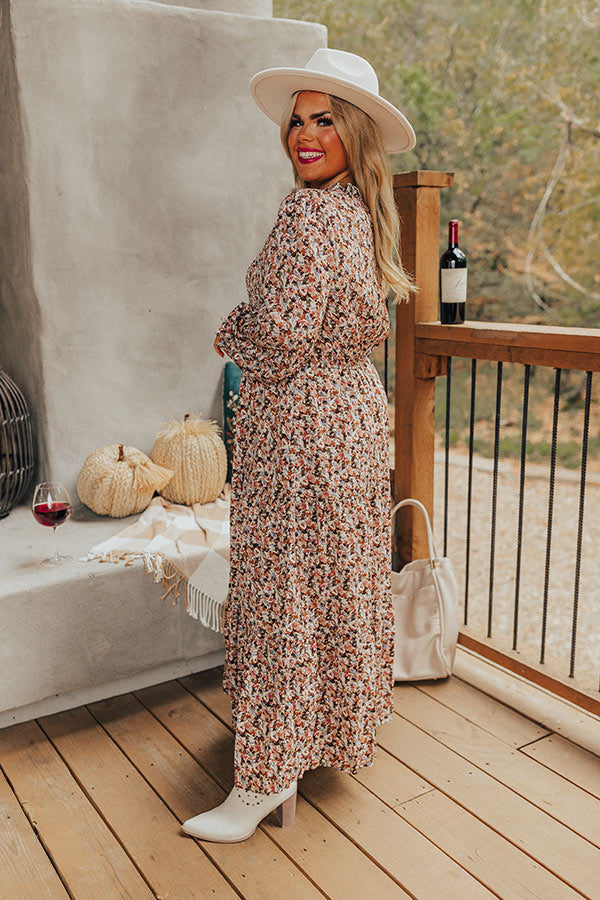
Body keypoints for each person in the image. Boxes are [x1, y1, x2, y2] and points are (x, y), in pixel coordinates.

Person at [182, 48, 416, 843]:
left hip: (302, 429)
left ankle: (265, 777)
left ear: (355, 133)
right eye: (297, 120)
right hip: (352, 421)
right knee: (334, 584)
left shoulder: (306, 214)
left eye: (325, 121)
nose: (304, 135)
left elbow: (278, 338)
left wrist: (231, 330)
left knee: (283, 592)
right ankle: (314, 740)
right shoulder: (359, 212)